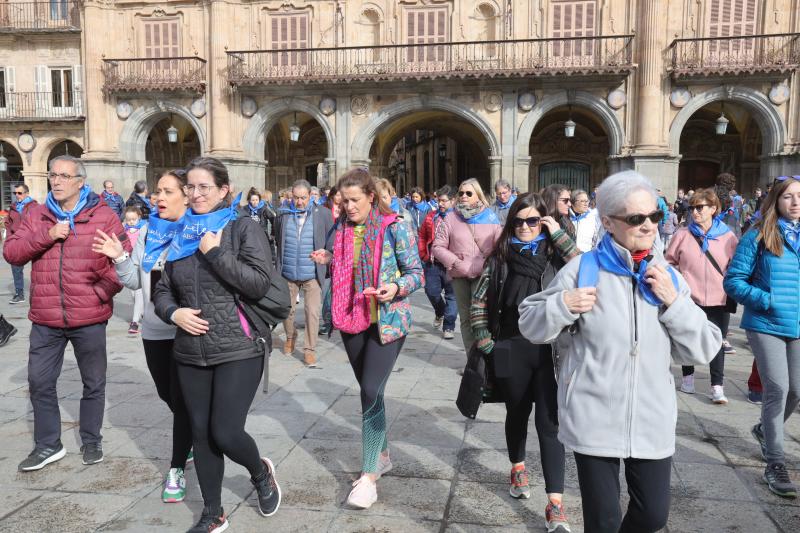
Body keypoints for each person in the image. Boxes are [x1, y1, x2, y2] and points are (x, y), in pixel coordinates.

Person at [519, 170, 722, 532]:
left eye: (654, 216)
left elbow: (703, 349)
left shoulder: (667, 277)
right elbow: (530, 324)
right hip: (593, 414)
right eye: (635, 218)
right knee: (604, 521)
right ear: (609, 222)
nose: (648, 226)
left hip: (652, 417)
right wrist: (563, 305)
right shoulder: (582, 269)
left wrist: (674, 304)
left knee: (652, 515)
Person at [153, 157, 281, 532]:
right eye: (190, 187)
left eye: (203, 187)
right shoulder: (180, 232)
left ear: (224, 190)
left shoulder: (242, 228)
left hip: (238, 346)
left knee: (225, 432)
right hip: (190, 350)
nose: (195, 194)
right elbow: (162, 290)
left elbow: (258, 284)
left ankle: (260, 473)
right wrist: (173, 313)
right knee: (200, 432)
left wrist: (215, 253)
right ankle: (213, 513)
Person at [4, 155, 130, 472]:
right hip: (46, 318)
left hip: (89, 317)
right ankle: (48, 445)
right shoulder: (36, 214)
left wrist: (99, 293)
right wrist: (46, 236)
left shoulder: (103, 216)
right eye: (52, 175)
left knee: (93, 382)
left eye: (63, 176)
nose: (56, 181)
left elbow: (123, 262)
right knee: (39, 381)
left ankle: (91, 439)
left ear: (79, 182)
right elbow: (12, 253)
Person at [310, 168, 423, 509]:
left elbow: (415, 272)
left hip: (386, 321)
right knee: (372, 393)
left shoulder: (394, 226)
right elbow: (348, 263)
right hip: (350, 318)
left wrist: (395, 288)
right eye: (343, 201)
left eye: (354, 200)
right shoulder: (341, 228)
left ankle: (369, 475)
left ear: (371, 197)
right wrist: (330, 259)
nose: (348, 207)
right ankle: (383, 454)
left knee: (370, 391)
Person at [470, 192, 577, 532]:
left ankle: (555, 505)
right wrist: (484, 337)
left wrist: (557, 232)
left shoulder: (555, 255)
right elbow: (479, 298)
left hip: (550, 350)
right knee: (516, 412)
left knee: (550, 424)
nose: (526, 227)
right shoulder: (500, 256)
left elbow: (583, 265)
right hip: (509, 346)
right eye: (519, 221)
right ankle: (517, 466)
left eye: (533, 220)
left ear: (543, 220)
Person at [92, 169, 194, 504]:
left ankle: (177, 466)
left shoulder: (196, 230)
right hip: (154, 329)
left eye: (166, 191)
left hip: (187, 330)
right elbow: (136, 281)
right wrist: (119, 257)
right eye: (156, 191)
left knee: (181, 402)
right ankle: (193, 437)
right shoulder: (149, 231)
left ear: (187, 194)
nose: (158, 198)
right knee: (168, 395)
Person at [724, 175, 800, 499]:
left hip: (797, 325)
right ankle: (775, 462)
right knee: (778, 388)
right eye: (788, 197)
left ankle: (764, 431)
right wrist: (767, 299)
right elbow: (733, 281)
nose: (795, 202)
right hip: (766, 323)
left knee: (796, 391)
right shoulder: (758, 234)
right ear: (775, 201)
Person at [665, 188, 738, 404]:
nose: (695, 212)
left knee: (717, 342)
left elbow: (736, 266)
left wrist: (730, 284)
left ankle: (717, 386)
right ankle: (688, 378)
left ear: (713, 209)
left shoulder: (728, 236)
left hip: (719, 298)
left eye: (700, 207)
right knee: (688, 338)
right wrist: (680, 280)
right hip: (690, 297)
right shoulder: (682, 234)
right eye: (692, 208)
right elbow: (669, 263)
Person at [431, 178, 501, 353]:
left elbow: (499, 247)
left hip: (484, 275)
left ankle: (486, 357)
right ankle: (472, 361)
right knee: (466, 319)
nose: (463, 196)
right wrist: (456, 263)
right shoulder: (451, 217)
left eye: (468, 193)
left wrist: (487, 265)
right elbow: (437, 246)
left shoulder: (491, 216)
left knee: (482, 318)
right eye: (461, 193)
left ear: (478, 195)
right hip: (459, 275)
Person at [274, 179, 333, 367]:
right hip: (288, 271)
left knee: (312, 312)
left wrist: (326, 256)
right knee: (286, 311)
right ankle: (291, 336)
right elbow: (278, 238)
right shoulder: (282, 214)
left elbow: (330, 241)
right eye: (296, 198)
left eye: (303, 198)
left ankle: (309, 349)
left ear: (310, 196)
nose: (299, 202)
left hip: (312, 272)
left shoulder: (323, 214)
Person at [418, 185, 458, 339]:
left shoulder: (459, 218)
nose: (440, 204)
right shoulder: (431, 216)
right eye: (438, 200)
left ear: (453, 201)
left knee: (452, 296)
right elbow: (422, 235)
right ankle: (440, 312)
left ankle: (449, 326)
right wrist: (423, 253)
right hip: (432, 263)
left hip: (452, 264)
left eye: (443, 201)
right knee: (431, 291)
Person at [5, 182, 37, 304]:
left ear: (27, 193)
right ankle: (19, 294)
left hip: (31, 241)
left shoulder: (34, 207)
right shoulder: (13, 207)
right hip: (17, 242)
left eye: (20, 193)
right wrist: (10, 238)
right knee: (16, 266)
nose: (17, 195)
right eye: (15, 193)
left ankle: (39, 293)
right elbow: (8, 224)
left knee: (38, 267)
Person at [122, 206, 147, 334]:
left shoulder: (144, 228)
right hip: (128, 263)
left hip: (139, 263)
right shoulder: (123, 229)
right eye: (128, 219)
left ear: (139, 218)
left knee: (138, 292)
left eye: (133, 219)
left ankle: (134, 322)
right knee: (133, 294)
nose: (131, 222)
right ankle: (142, 312)